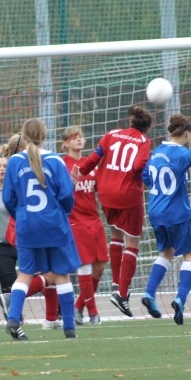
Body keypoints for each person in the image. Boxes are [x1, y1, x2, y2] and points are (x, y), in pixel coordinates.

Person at [2, 118, 81, 339]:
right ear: (45, 136)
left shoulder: (15, 162)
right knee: (61, 275)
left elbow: (8, 198)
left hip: (27, 225)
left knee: (25, 274)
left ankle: (14, 317)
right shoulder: (55, 161)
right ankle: (69, 327)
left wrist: (21, 215)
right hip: (54, 225)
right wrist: (63, 207)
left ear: (24, 136)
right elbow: (66, 196)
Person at [0, 141, 62, 337]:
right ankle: (17, 323)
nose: (2, 169)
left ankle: (51, 318)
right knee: (14, 284)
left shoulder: (18, 185)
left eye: (5, 165)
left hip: (21, 240)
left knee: (49, 274)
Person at [78, 105, 152, 317]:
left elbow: (94, 158)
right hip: (127, 194)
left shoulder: (111, 134)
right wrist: (147, 176)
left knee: (116, 234)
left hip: (106, 193)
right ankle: (122, 293)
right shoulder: (144, 141)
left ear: (131, 122)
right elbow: (139, 165)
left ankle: (116, 284)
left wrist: (81, 171)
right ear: (146, 128)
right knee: (133, 242)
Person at [140, 115, 191, 325]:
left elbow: (146, 177)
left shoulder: (157, 152)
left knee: (166, 252)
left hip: (155, 211)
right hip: (177, 212)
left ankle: (149, 292)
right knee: (190, 255)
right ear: (187, 134)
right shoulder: (180, 153)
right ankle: (180, 299)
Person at [61, 126, 108, 325]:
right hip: (75, 221)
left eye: (80, 136)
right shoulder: (62, 165)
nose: (79, 140)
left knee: (99, 267)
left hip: (94, 220)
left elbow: (99, 190)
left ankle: (78, 307)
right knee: (85, 266)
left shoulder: (91, 164)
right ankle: (93, 313)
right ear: (65, 143)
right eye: (73, 138)